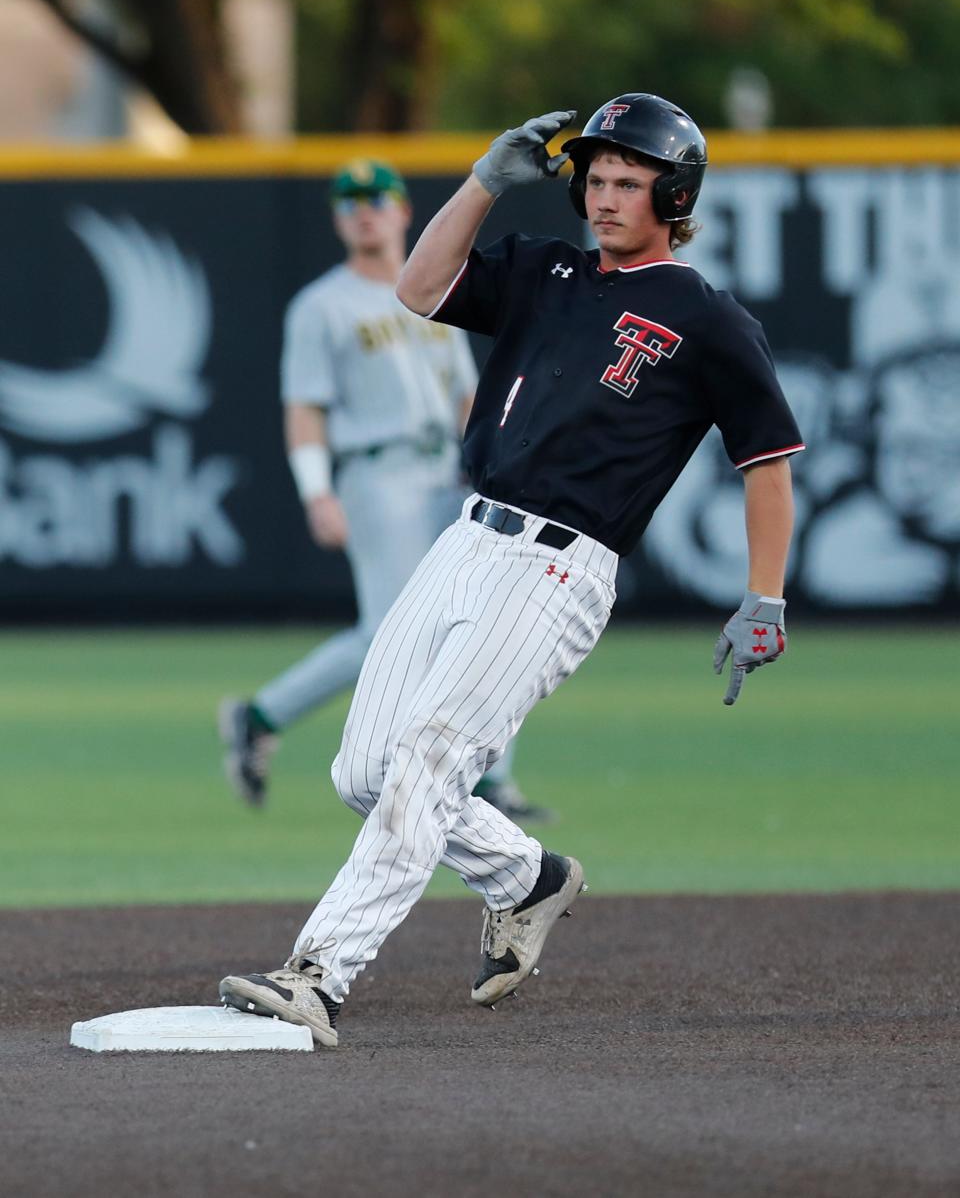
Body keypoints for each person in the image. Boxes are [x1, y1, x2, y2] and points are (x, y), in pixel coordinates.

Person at [218, 95, 805, 1049]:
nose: (605, 197)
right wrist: (488, 182)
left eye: (628, 182)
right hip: (464, 541)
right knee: (362, 769)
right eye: (596, 179)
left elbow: (767, 464)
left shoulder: (707, 318)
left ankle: (318, 976)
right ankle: (526, 878)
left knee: (430, 763)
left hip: (561, 570)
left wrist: (764, 595)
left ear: (677, 193)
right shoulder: (547, 270)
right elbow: (415, 289)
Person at [218, 158, 550, 823]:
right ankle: (259, 716)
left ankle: (490, 780)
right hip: (378, 472)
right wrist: (317, 491)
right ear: (339, 219)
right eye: (349, 201)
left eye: (377, 197)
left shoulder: (431, 287)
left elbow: (464, 393)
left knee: (482, 620)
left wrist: (491, 465)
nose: (364, 209)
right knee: (389, 635)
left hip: (450, 472)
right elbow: (304, 406)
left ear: (403, 211)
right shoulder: (323, 304)